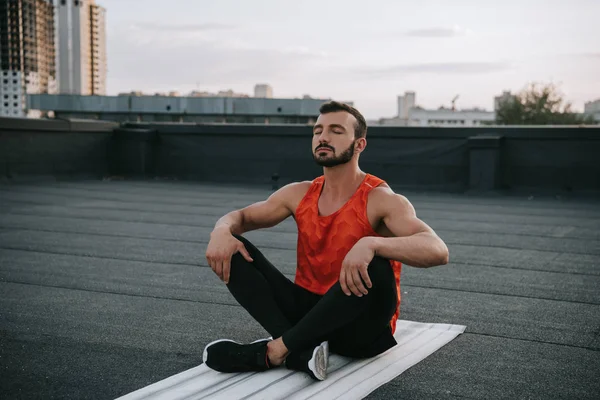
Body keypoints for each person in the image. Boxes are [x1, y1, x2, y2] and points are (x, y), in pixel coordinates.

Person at [203, 101, 449, 381]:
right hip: (308, 314)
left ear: (359, 145)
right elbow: (242, 217)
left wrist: (372, 244)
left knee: (376, 264)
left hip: (361, 329)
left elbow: (437, 250)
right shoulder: (299, 193)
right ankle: (298, 353)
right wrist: (221, 229)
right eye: (318, 130)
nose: (323, 137)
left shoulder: (380, 199)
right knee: (233, 249)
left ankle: (273, 351)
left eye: (336, 131)